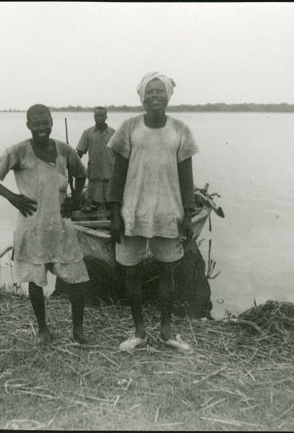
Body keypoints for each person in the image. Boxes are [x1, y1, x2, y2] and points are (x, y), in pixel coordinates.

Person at [0, 104, 93, 345]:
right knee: (35, 278)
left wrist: (73, 200)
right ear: (28, 125)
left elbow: (81, 173)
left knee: (77, 278)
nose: (41, 127)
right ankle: (43, 330)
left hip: (60, 224)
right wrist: (13, 197)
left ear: (51, 122)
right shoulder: (19, 150)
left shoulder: (64, 149)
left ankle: (79, 331)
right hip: (31, 226)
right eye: (36, 123)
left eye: (45, 122)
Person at [107, 72, 198, 353]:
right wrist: (114, 213)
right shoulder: (129, 127)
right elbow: (118, 174)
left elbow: (186, 176)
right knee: (131, 273)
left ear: (168, 96)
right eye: (150, 92)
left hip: (168, 212)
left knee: (167, 271)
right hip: (132, 212)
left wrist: (188, 214)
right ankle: (139, 332)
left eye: (160, 92)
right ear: (142, 97)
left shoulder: (180, 130)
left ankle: (167, 331)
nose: (155, 96)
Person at [76, 107, 115, 211]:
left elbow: (119, 153)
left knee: (110, 201)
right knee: (94, 201)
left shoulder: (113, 133)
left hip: (109, 172)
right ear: (94, 116)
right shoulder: (87, 133)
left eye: (102, 115)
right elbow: (79, 152)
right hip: (94, 171)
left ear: (106, 117)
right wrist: (71, 165)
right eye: (97, 115)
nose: (99, 118)